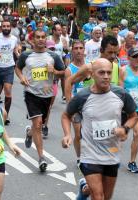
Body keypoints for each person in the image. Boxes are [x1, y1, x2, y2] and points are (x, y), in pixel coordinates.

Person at [61, 58, 138, 200]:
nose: (106, 76)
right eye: (101, 72)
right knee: (98, 196)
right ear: (92, 74)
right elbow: (66, 115)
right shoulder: (82, 96)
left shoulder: (121, 94)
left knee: (106, 197)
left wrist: (125, 128)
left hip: (112, 153)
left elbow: (134, 116)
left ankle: (85, 189)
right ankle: (88, 188)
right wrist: (67, 134)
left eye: (109, 72)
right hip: (90, 154)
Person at [15, 30, 64, 172]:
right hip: (31, 93)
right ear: (33, 40)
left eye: (43, 37)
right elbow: (18, 68)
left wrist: (54, 71)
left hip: (47, 95)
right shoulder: (26, 55)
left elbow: (64, 72)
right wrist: (21, 78)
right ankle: (41, 157)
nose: (41, 40)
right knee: (38, 124)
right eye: (38, 37)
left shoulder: (53, 56)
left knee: (39, 125)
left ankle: (29, 133)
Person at [0, 20, 19, 124]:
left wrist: (18, 53)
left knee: (8, 90)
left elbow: (15, 49)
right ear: (1, 27)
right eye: (4, 26)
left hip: (9, 67)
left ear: (10, 27)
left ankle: (6, 115)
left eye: (8, 26)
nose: (6, 28)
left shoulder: (14, 38)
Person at [64, 40, 87, 168]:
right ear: (72, 50)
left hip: (90, 106)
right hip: (76, 106)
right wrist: (70, 108)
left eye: (81, 48)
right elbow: (67, 90)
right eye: (76, 48)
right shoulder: (69, 70)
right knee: (78, 134)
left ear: (84, 50)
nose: (78, 50)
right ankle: (79, 157)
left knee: (90, 133)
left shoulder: (90, 66)